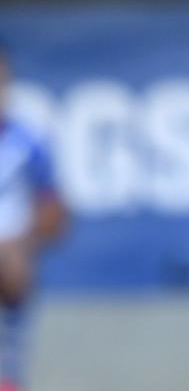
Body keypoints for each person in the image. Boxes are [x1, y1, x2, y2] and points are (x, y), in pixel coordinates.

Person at [0, 46, 66, 391]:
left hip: (12, 256)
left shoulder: (28, 143)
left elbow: (55, 216)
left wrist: (23, 239)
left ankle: (8, 379)